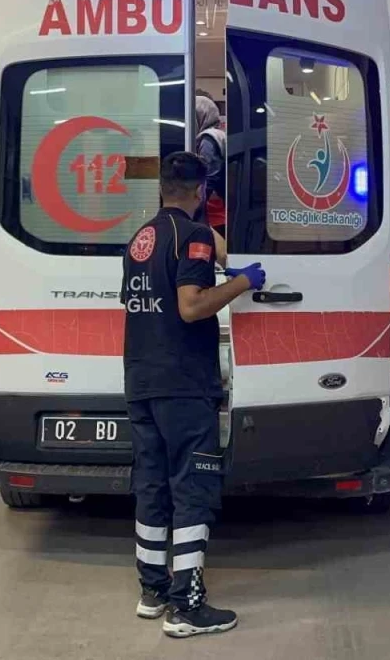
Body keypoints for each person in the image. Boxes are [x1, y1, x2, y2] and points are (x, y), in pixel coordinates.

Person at [122, 151, 265, 638]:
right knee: (192, 489)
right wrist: (243, 282)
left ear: (161, 187)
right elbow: (191, 306)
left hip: (141, 381)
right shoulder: (195, 237)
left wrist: (214, 245)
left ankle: (153, 590)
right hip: (183, 384)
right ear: (202, 191)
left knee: (152, 484)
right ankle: (186, 606)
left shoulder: (142, 238)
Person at [193, 94, 228, 237]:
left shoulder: (209, 138)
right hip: (221, 213)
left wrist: (195, 205)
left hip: (216, 218)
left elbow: (209, 176)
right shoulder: (217, 135)